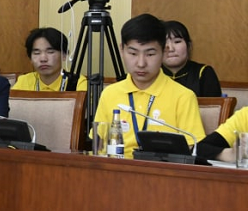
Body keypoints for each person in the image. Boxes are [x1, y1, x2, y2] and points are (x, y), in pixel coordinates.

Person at [92, 13, 205, 158]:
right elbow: (99, 146)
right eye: (133, 53)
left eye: (150, 54)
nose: (141, 63)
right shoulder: (110, 94)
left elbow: (191, 148)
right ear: (122, 50)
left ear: (164, 51)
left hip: (160, 169)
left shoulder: (183, 97)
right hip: (116, 167)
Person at [13, 27, 88, 92]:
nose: (43, 59)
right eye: (37, 53)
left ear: (64, 55)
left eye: (50, 52)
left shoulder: (77, 83)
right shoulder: (24, 81)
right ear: (30, 59)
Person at [162, 20, 221, 97]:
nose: (170, 49)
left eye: (177, 42)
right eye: (164, 43)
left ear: (188, 45)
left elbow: (213, 104)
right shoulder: (152, 75)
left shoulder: (204, 73)